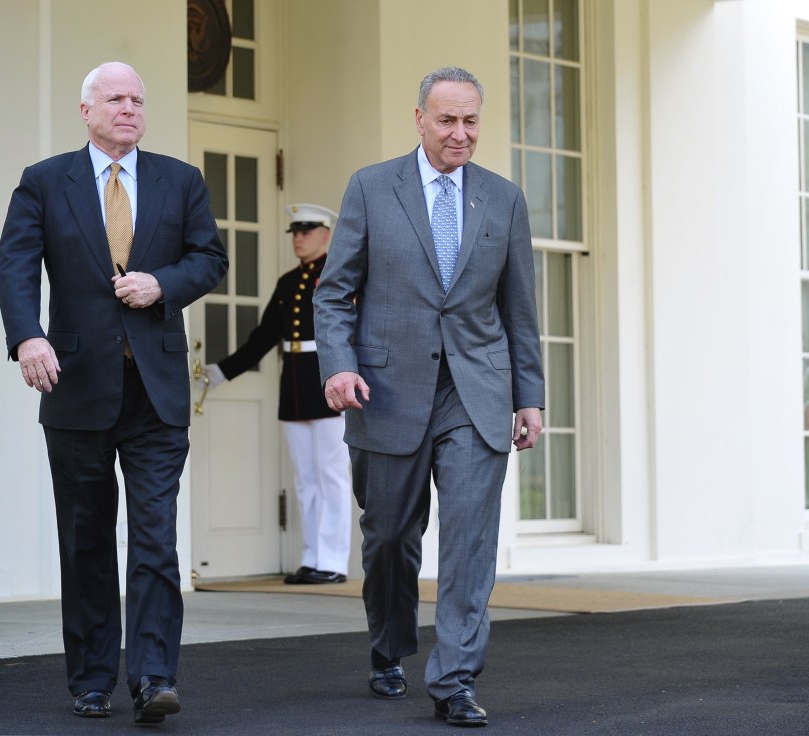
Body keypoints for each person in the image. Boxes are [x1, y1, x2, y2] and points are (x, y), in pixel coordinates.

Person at [0, 61, 228, 724]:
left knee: (155, 539)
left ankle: (154, 676)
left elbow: (210, 258)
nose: (129, 109)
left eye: (137, 99)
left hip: (155, 392)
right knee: (87, 539)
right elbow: (14, 264)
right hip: (74, 387)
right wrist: (26, 338)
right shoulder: (45, 182)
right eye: (116, 99)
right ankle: (92, 677)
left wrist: (164, 285)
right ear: (86, 110)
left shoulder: (179, 181)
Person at [313, 66, 544, 728]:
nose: (460, 133)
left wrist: (529, 395)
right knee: (389, 535)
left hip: (475, 391)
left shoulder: (504, 200)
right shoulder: (370, 187)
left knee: (471, 537)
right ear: (419, 119)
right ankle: (388, 648)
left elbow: (519, 309)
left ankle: (455, 679)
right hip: (385, 390)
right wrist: (338, 365)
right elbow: (334, 292)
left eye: (471, 120)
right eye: (447, 120)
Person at [204, 203, 352, 585]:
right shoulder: (289, 282)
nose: (299, 238)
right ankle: (311, 558)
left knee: (331, 476)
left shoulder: (342, 275)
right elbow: (266, 335)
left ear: (325, 234)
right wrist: (222, 372)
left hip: (330, 383)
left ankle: (333, 562)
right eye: (295, 233)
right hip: (296, 387)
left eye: (306, 231)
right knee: (305, 478)